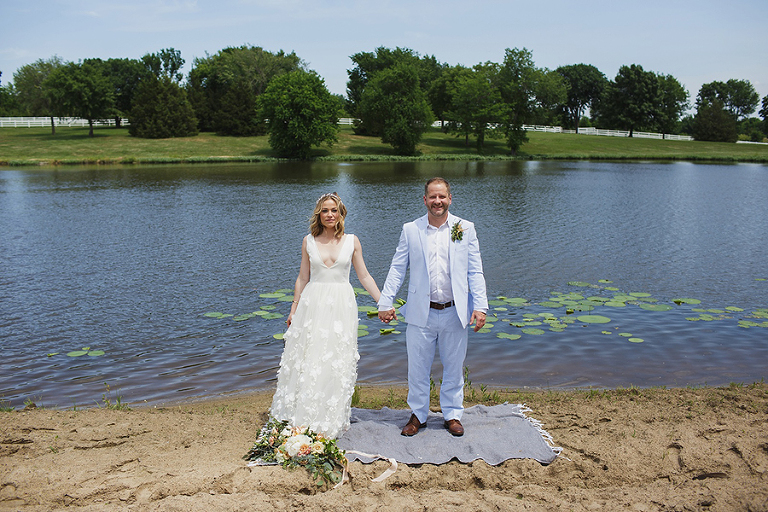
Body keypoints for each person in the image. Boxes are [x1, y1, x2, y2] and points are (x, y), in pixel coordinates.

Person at [378, 177, 488, 437]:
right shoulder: (410, 230)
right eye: (432, 197)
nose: (437, 201)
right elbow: (397, 268)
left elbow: (475, 270)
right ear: (424, 199)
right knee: (417, 368)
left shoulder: (465, 228)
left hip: (455, 311)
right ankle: (418, 414)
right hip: (420, 312)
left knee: (454, 366)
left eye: (442, 196)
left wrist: (480, 306)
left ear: (450, 198)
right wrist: (385, 301)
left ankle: (452, 414)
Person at [270, 192, 381, 439]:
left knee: (336, 358)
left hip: (342, 305)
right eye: (325, 210)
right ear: (318, 214)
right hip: (313, 304)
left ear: (341, 213)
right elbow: (302, 277)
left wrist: (382, 301)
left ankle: (330, 415)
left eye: (334, 210)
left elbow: (364, 276)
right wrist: (293, 309)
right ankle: (304, 414)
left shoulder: (352, 241)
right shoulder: (308, 241)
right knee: (310, 356)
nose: (330, 215)